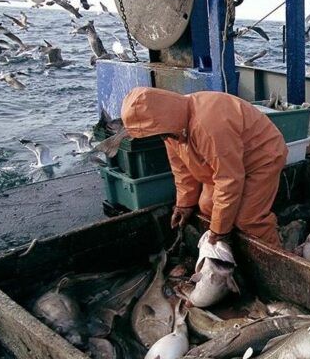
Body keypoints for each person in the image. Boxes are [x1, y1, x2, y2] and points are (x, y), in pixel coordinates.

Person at [121, 88, 288, 246]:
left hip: (261, 158)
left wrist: (220, 231)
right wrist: (184, 204)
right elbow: (181, 168)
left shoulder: (209, 126)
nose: (160, 137)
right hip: (226, 164)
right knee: (207, 206)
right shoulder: (170, 129)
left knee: (248, 220)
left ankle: (277, 260)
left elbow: (229, 179)